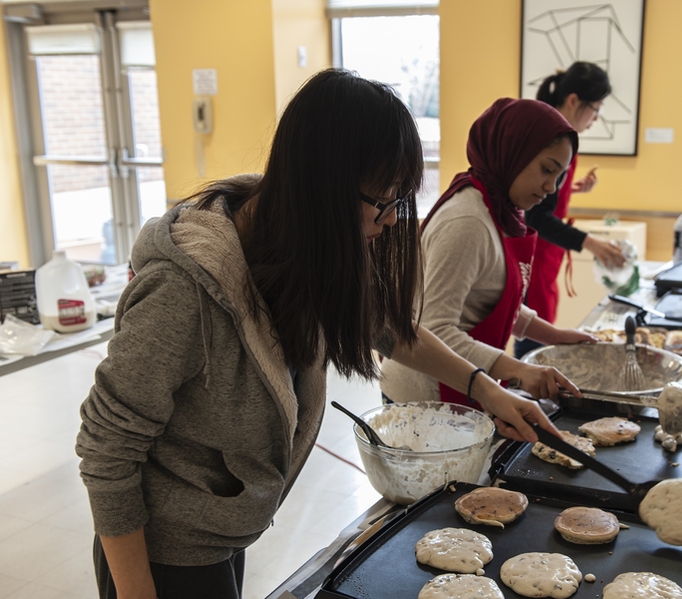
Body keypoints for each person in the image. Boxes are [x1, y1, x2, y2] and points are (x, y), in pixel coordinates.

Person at [75, 69, 572, 599]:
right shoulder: (184, 289)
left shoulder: (302, 243)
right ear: (323, 183)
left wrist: (488, 388)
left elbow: (387, 327)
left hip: (217, 530)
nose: (388, 222)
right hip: (161, 549)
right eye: (382, 202)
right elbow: (107, 449)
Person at [379, 97, 597, 406]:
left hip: (458, 387)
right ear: (512, 152)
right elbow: (434, 329)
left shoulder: (499, 210)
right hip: (423, 397)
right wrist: (520, 370)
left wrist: (555, 336)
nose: (552, 188)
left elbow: (492, 300)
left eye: (559, 177)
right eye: (547, 170)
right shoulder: (468, 221)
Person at [514, 62, 627, 359]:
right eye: (596, 108)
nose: (595, 118)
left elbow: (541, 199)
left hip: (544, 258)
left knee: (533, 336)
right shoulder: (552, 138)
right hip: (531, 258)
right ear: (574, 100)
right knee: (531, 345)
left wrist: (571, 188)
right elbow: (536, 216)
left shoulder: (559, 138)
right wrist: (591, 243)